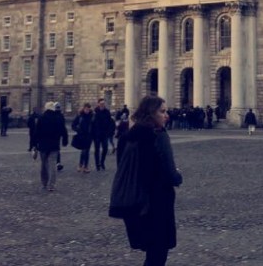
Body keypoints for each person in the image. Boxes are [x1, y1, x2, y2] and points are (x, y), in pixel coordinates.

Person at [109, 96, 183, 266]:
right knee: (158, 253)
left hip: (134, 201)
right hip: (156, 200)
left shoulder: (127, 137)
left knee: (151, 251)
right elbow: (170, 172)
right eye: (162, 111)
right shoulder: (159, 135)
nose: (166, 115)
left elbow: (123, 168)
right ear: (151, 113)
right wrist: (178, 177)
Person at [34, 101, 68, 192]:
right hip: (54, 144)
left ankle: (44, 182)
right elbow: (63, 130)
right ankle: (51, 185)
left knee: (44, 164)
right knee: (53, 164)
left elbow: (37, 132)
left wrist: (35, 144)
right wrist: (65, 140)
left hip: (43, 145)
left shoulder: (41, 118)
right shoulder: (58, 118)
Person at [92, 98, 115, 170]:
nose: (102, 105)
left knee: (105, 149)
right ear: (98, 104)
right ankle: (97, 164)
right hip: (96, 134)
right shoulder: (95, 112)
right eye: (101, 103)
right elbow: (92, 123)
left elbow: (110, 122)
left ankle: (102, 162)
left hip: (104, 134)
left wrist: (110, 131)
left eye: (103, 104)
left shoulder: (107, 112)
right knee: (97, 150)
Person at [72, 103, 93, 173]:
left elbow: (94, 125)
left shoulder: (92, 116)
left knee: (87, 151)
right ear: (84, 108)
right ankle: (81, 165)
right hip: (82, 136)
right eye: (86, 109)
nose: (87, 111)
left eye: (88, 109)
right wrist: (78, 130)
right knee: (84, 151)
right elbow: (73, 125)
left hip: (89, 136)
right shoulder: (80, 116)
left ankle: (85, 166)